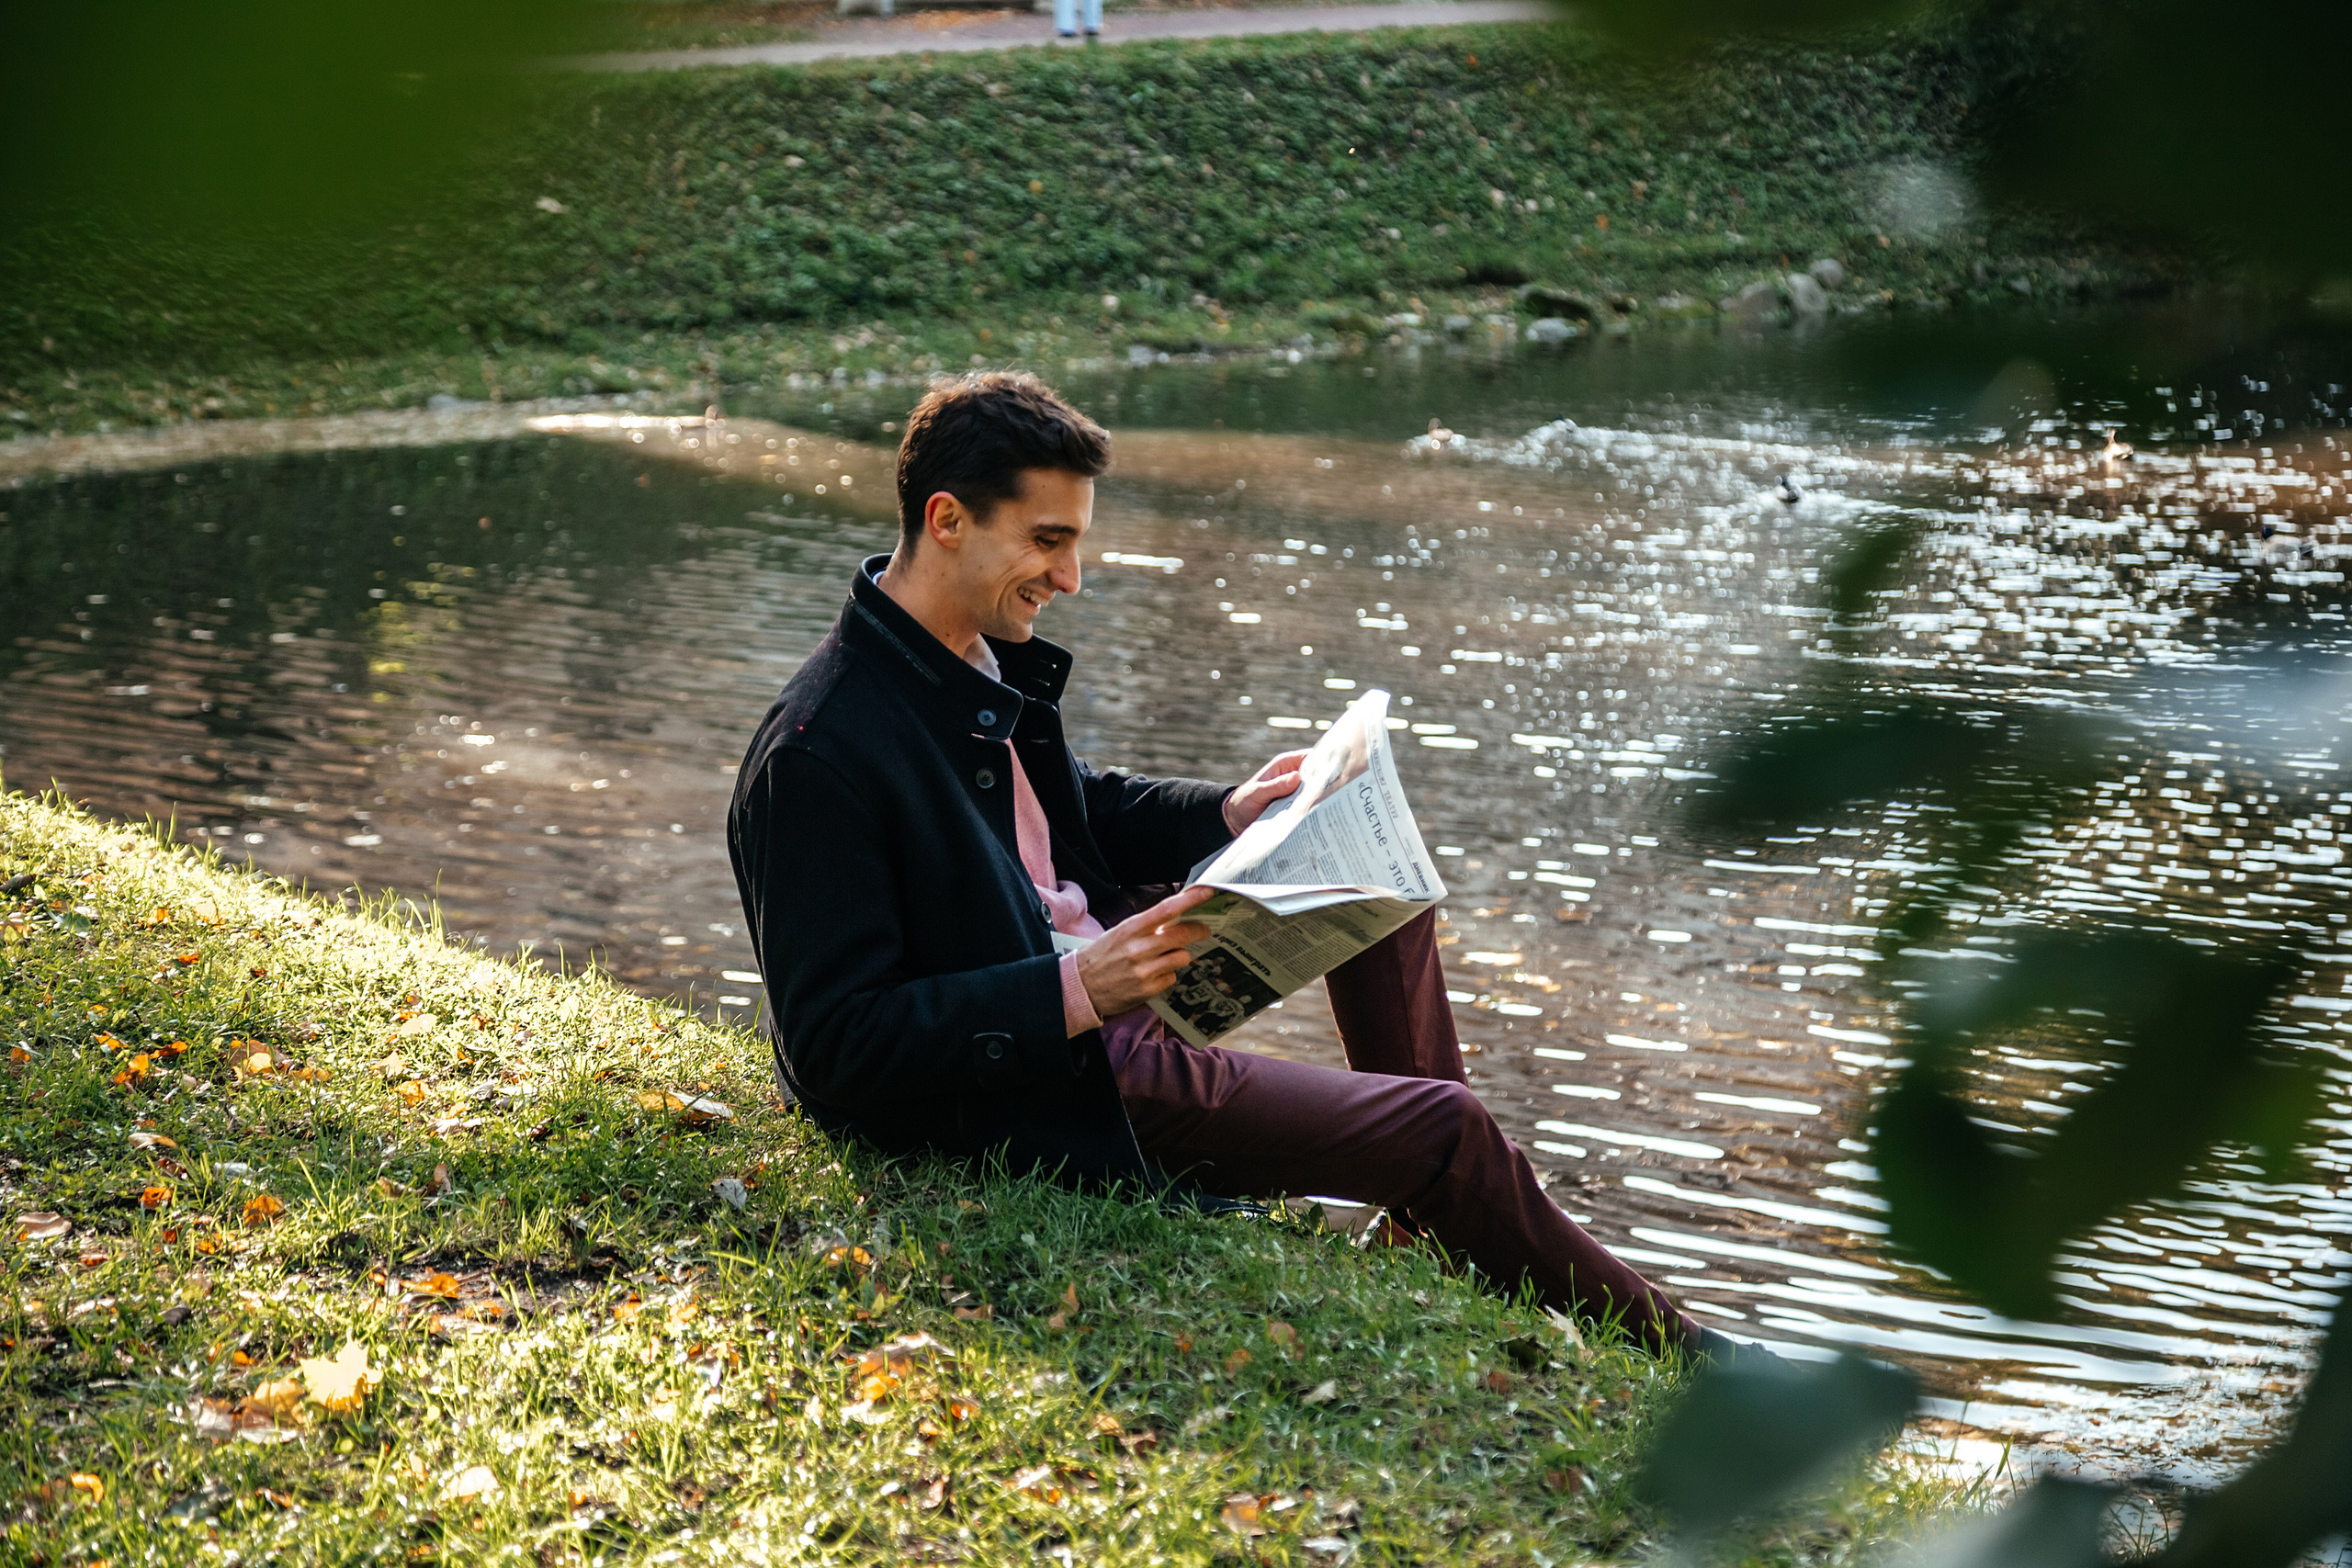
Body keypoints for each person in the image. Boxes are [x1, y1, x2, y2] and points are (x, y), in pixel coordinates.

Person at [728, 371, 1717, 1358]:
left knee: (1369, 879)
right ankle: (1683, 1354)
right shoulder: (818, 753)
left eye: (1074, 541)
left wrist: (1233, 811)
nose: (1068, 578)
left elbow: (1071, 808)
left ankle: (1432, 1217)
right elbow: (832, 1048)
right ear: (947, 519)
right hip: (1050, 1078)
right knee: (1443, 1125)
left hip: (1102, 979)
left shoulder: (966, 658)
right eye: (1047, 541)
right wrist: (1076, 988)